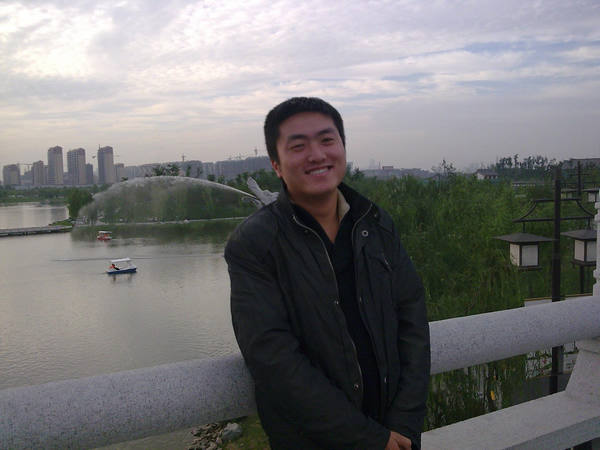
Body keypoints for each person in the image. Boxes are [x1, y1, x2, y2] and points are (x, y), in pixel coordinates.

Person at [225, 97, 430, 449]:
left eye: (326, 140)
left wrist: (405, 425)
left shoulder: (376, 224)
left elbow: (412, 321)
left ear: (343, 149)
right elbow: (273, 358)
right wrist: (369, 439)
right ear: (276, 165)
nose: (317, 155)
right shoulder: (255, 243)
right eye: (298, 146)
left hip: (397, 438)